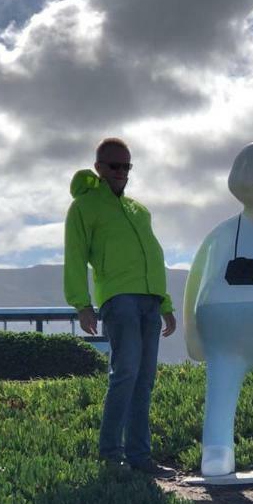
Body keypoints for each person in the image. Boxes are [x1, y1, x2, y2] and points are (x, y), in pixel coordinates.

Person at [64, 137, 177, 478]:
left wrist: (166, 303)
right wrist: (82, 304)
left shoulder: (139, 210)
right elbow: (75, 256)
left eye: (127, 166)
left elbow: (155, 256)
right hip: (119, 299)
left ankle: (141, 458)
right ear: (98, 168)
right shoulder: (84, 207)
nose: (121, 172)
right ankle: (111, 454)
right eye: (115, 166)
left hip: (150, 301)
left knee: (144, 380)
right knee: (125, 373)